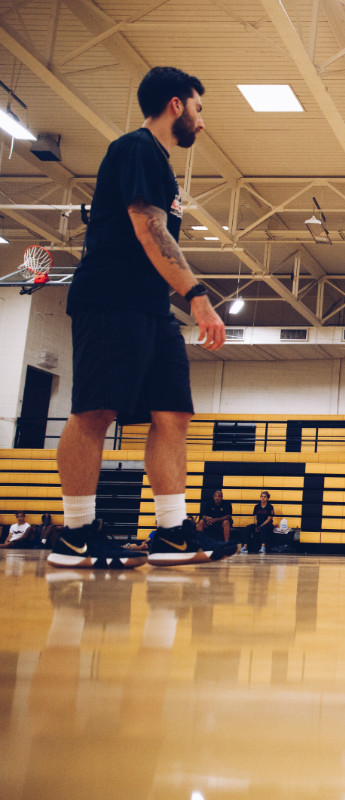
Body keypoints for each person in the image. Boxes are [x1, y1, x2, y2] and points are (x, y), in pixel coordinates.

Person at [48, 66, 234, 570]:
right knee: (95, 411)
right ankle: (75, 535)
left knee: (173, 414)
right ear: (176, 104)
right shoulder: (136, 149)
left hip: (152, 307)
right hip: (111, 298)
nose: (201, 121)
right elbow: (148, 227)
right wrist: (197, 295)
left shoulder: (161, 163)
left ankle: (172, 532)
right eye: (198, 108)